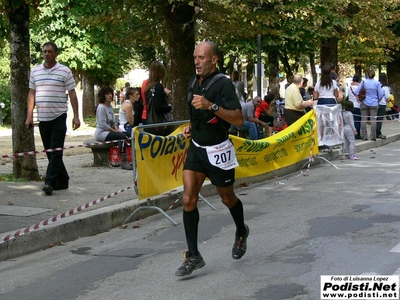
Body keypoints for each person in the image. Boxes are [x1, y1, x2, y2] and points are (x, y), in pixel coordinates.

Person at [176, 41, 248, 277]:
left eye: (202, 58)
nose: (197, 62)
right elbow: (196, 112)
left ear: (214, 59)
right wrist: (190, 126)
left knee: (228, 199)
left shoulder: (223, 84)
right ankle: (193, 254)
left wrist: (211, 105)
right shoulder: (193, 80)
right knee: (188, 199)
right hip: (197, 148)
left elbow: (238, 119)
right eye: (195, 57)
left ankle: (240, 231)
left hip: (218, 151)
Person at [25, 42, 81, 196]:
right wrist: (29, 116)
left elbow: (72, 94)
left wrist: (76, 116)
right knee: (50, 152)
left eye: (50, 51)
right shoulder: (35, 71)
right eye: (44, 51)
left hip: (59, 116)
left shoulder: (64, 71)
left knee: (56, 150)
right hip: (43, 117)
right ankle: (63, 180)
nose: (47, 54)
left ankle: (49, 182)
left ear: (56, 54)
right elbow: (31, 94)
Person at [95, 86, 133, 170]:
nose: (109, 96)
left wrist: (118, 130)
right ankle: (124, 162)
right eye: (107, 94)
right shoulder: (101, 107)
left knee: (128, 135)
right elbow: (103, 124)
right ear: (103, 95)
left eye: (110, 94)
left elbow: (113, 123)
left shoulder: (110, 107)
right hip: (102, 133)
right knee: (121, 137)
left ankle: (132, 158)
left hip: (110, 130)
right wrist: (116, 132)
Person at [355, 69, 384, 141]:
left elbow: (356, 91)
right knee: (373, 120)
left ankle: (364, 136)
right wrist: (377, 101)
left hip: (364, 103)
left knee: (363, 119)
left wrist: (358, 100)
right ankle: (373, 136)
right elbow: (381, 94)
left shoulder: (364, 82)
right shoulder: (377, 83)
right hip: (374, 103)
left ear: (367, 74)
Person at [143, 61, 172, 131]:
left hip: (149, 121)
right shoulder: (158, 86)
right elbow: (157, 106)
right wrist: (169, 107)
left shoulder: (147, 86)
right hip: (158, 124)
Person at [376, 73, 390, 139]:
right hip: (382, 104)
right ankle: (378, 133)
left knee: (375, 119)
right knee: (380, 119)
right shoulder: (385, 87)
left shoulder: (377, 85)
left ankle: (374, 132)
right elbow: (387, 96)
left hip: (375, 103)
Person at [347, 74, 362, 139]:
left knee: (351, 120)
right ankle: (357, 134)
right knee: (357, 120)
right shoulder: (359, 88)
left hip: (350, 105)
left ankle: (351, 133)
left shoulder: (349, 87)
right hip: (358, 105)